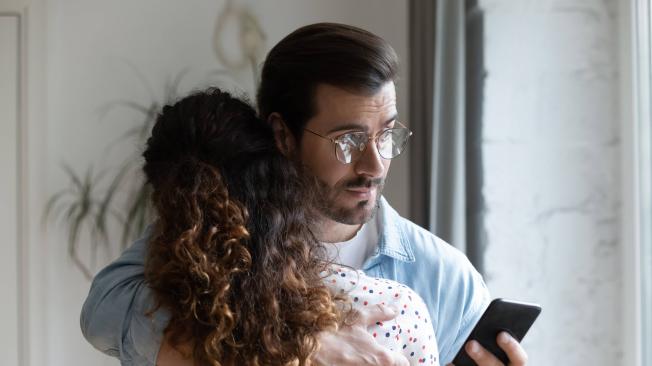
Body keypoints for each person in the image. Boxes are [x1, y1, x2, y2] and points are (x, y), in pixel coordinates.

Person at [81, 22, 528, 366]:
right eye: (349, 141)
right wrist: (293, 346)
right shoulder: (216, 238)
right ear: (283, 135)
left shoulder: (443, 278)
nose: (374, 165)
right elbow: (104, 315)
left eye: (387, 135)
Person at [140, 87, 440, 365]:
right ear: (279, 178)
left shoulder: (156, 321)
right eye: (348, 140)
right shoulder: (395, 310)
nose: (373, 164)